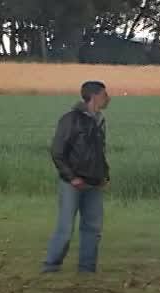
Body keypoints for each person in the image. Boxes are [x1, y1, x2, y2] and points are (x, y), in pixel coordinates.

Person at [42, 81, 111, 273]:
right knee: (65, 228)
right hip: (72, 183)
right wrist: (71, 177)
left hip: (94, 183)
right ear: (94, 96)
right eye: (105, 94)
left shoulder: (99, 120)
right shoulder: (71, 119)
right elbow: (57, 152)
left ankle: (87, 269)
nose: (108, 98)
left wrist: (105, 174)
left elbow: (99, 153)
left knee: (93, 228)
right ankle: (51, 266)